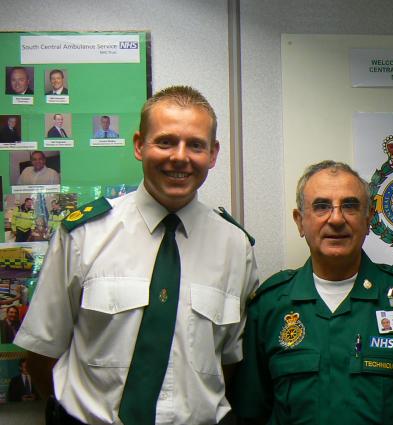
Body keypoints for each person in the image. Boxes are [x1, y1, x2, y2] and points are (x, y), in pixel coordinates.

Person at [14, 85, 259, 425]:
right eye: (166, 141)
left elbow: (230, 361)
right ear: (139, 145)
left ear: (213, 154)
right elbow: (42, 352)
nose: (180, 156)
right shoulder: (84, 234)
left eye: (196, 145)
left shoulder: (236, 247)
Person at [233, 161, 393, 425]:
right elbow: (251, 412)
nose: (337, 218)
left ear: (369, 220)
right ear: (300, 221)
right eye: (321, 206)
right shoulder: (270, 306)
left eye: (350, 206)